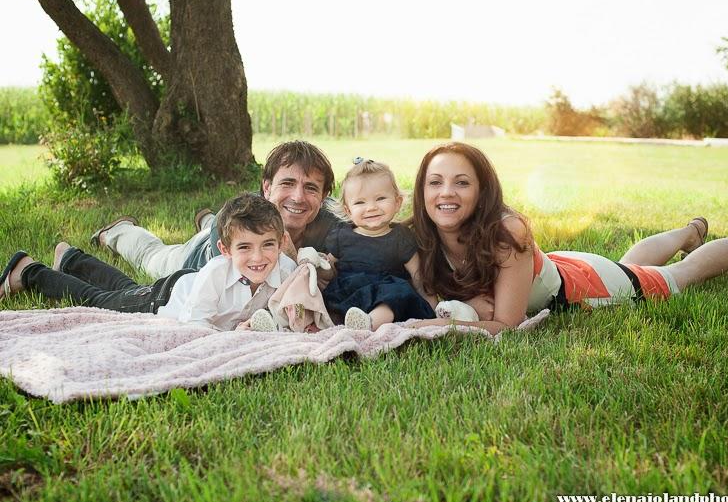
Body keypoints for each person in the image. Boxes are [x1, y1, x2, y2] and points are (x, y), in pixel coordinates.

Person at [408, 142, 728, 335]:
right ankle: (690, 231)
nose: (446, 193)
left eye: (462, 182)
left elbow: (507, 324)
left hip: (583, 287)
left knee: (678, 276)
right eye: (436, 182)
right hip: (556, 265)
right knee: (631, 266)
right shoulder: (417, 237)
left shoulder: (508, 233)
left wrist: (427, 327)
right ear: (421, 190)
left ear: (482, 191)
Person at [0, 194, 296, 331]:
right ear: (225, 249)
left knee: (124, 288)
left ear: (281, 242)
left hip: (181, 288)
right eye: (245, 247)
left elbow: (290, 317)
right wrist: (236, 336)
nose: (258, 258)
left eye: (267, 245)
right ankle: (29, 271)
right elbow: (195, 328)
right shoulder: (216, 273)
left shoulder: (286, 270)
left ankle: (70, 258)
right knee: (102, 300)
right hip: (165, 299)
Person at [92, 140, 341, 278]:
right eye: (287, 183)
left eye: (310, 188)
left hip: (222, 227)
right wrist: (288, 258)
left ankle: (205, 218)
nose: (298, 197)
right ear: (267, 188)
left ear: (324, 195)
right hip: (196, 257)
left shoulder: (334, 224)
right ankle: (119, 231)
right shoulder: (241, 217)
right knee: (152, 257)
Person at [322, 158, 436, 331]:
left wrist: (432, 308)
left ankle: (368, 325)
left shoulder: (400, 237)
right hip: (350, 294)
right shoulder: (342, 235)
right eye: (360, 202)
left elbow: (418, 276)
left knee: (393, 296)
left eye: (380, 198)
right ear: (348, 210)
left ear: (397, 202)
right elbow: (328, 269)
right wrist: (318, 265)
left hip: (387, 294)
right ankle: (318, 322)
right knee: (327, 300)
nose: (371, 208)